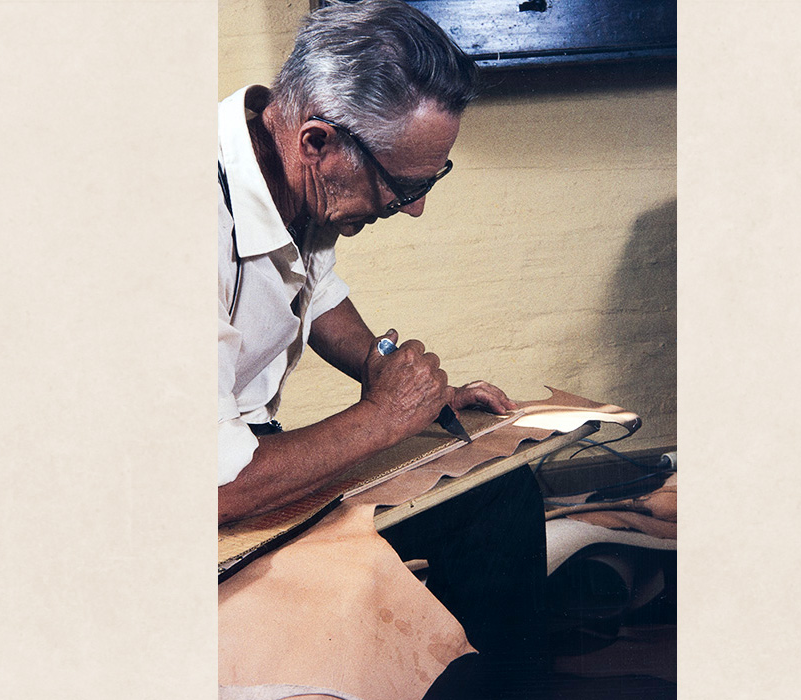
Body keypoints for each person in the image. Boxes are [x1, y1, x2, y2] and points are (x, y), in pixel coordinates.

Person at [218, 0, 547, 695]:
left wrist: (384, 369)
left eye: (430, 181)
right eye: (403, 186)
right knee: (408, 646)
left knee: (500, 490)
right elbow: (216, 488)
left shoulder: (288, 166)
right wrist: (385, 417)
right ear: (317, 142)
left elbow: (316, 291)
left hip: (242, 454)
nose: (415, 207)